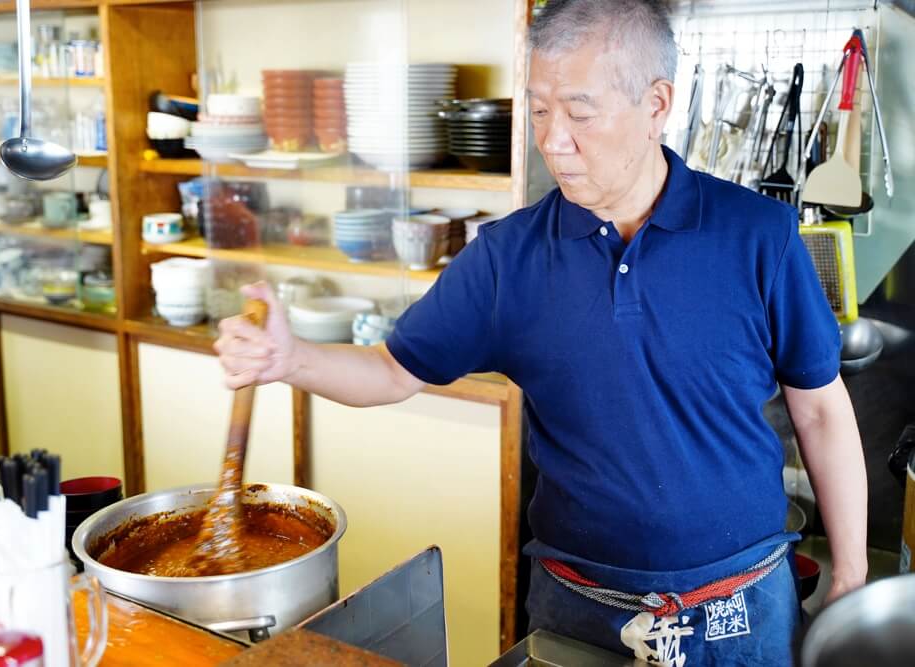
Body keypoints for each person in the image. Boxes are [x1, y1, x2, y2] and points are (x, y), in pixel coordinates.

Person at [215, 0, 868, 663]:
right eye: (540, 111)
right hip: (581, 610)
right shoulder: (509, 259)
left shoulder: (760, 237)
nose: (554, 141)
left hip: (742, 610)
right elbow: (390, 370)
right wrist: (290, 358)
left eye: (581, 114)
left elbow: (819, 410)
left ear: (656, 105)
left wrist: (849, 574)